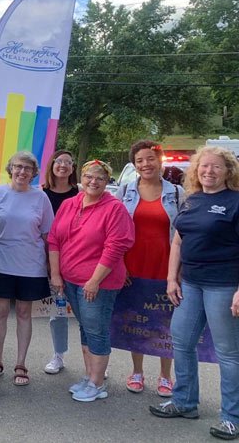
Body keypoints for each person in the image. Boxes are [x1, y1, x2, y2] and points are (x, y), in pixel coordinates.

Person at [150, 146, 239, 441]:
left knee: (228, 353)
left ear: (228, 171)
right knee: (182, 342)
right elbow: (178, 241)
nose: (208, 171)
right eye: (204, 166)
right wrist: (171, 278)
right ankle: (185, 402)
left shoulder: (235, 202)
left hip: (223, 286)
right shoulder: (192, 200)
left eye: (216, 167)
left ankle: (232, 418)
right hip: (190, 284)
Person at [49, 160, 134, 402]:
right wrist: (56, 274)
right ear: (81, 178)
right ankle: (89, 376)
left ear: (107, 182)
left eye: (100, 178)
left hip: (98, 283)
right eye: (88, 176)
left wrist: (94, 280)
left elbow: (116, 246)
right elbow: (54, 239)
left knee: (96, 330)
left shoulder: (114, 208)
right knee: (85, 328)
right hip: (71, 280)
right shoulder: (70, 204)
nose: (93, 182)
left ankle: (97, 383)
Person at [116, 140, 184, 397]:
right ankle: (137, 371)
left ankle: (166, 375)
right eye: (140, 160)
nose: (145, 164)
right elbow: (115, 230)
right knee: (137, 319)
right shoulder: (125, 191)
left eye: (150, 159)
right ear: (134, 164)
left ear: (160, 160)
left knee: (167, 322)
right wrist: (119, 264)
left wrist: (179, 271)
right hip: (133, 264)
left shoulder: (177, 193)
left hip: (166, 266)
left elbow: (185, 233)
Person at [0, 152, 54, 387]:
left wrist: (53, 267)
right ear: (10, 168)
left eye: (28, 168)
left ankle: (21, 363)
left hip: (30, 265)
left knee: (24, 312)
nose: (22, 172)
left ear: (34, 173)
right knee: (0, 311)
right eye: (18, 167)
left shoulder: (41, 198)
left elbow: (48, 236)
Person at [41, 150, 79, 375]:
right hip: (49, 260)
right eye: (59, 161)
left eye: (68, 162)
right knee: (58, 312)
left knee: (87, 314)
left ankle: (94, 358)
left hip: (77, 259)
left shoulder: (81, 193)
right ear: (52, 165)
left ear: (73, 168)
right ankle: (58, 355)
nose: (63, 165)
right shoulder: (41, 194)